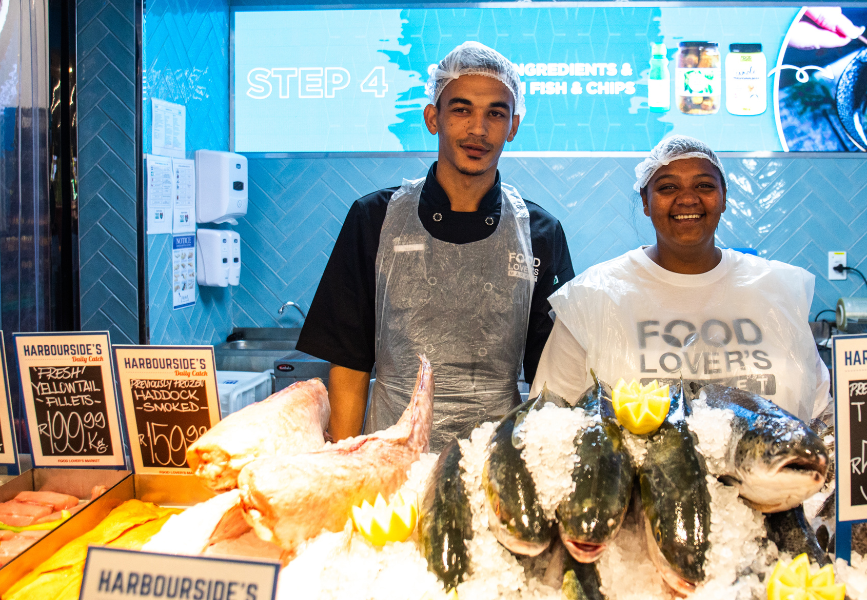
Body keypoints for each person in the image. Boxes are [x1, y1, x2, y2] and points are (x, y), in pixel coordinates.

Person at [298, 42, 574, 448]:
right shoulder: (374, 219)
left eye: (495, 113)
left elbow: (552, 376)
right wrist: (344, 460)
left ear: (513, 126)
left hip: (495, 464)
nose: (478, 129)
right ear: (433, 117)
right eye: (461, 109)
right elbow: (350, 365)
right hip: (389, 457)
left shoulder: (540, 233)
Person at [531, 136, 829, 420]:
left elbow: (820, 415)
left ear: (723, 198)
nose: (687, 199)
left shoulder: (777, 289)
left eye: (704, 185)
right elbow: (552, 418)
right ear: (646, 203)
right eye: (668, 188)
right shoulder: (593, 296)